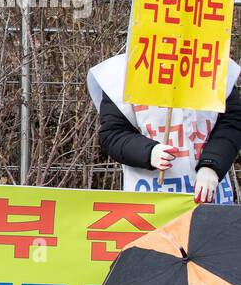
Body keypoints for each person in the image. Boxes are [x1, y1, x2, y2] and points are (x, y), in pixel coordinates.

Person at [87, 51, 241, 203]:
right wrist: (148, 152)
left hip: (211, 194)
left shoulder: (213, 65)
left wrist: (212, 165)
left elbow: (232, 122)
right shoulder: (121, 73)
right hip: (150, 198)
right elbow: (114, 133)